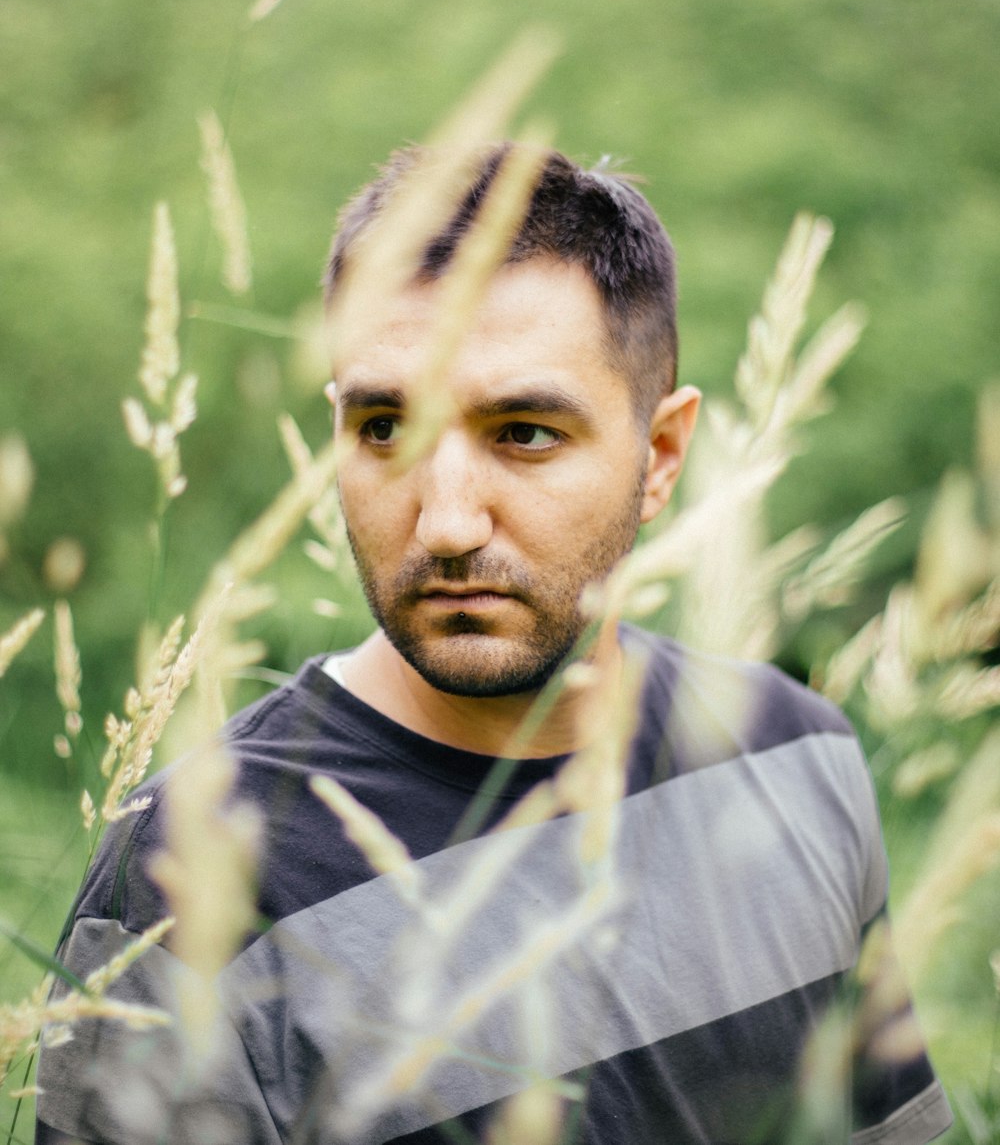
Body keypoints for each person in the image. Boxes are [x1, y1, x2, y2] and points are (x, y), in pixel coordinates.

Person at [36, 144, 952, 1144]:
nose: (444, 522)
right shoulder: (195, 858)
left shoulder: (793, 755)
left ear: (660, 456)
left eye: (521, 431)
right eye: (384, 426)